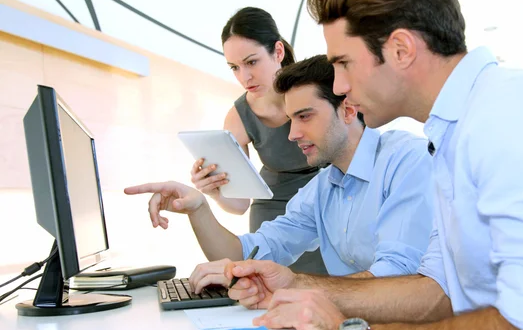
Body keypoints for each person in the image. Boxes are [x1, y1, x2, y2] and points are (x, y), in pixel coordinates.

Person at [221, 0, 523, 330]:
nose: (341, 85)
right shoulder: (454, 135)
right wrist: (299, 284)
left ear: (401, 49)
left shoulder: (508, 116)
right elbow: (438, 293)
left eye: (344, 64)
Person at [125, 54, 434, 290]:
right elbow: (248, 254)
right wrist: (198, 208)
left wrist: (295, 285)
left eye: (304, 116)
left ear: (348, 110)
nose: (292, 134)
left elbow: (397, 274)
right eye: (291, 119)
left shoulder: (407, 161)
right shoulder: (323, 188)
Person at [194, 7, 326, 274]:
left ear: (278, 52)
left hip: (327, 199)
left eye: (251, 62)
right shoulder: (238, 118)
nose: (244, 77)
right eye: (234, 68)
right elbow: (240, 204)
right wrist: (214, 191)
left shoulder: (315, 87)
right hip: (272, 210)